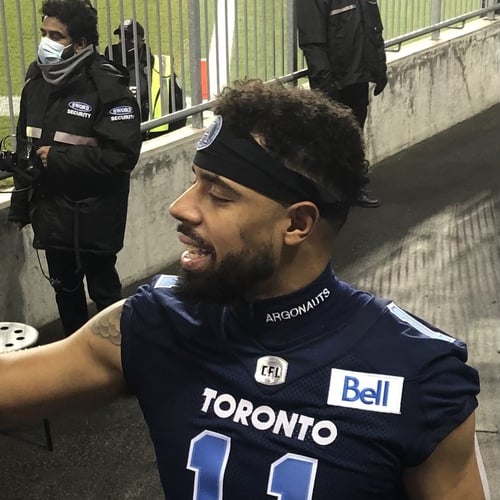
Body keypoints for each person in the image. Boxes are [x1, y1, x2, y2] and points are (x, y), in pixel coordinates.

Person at [0, 80, 486, 499]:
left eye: (219, 194)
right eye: (195, 182)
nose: (180, 207)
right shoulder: (152, 322)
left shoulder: (419, 374)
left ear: (296, 224)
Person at [7, 0, 142, 336]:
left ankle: (116, 358)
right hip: (52, 216)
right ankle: (74, 357)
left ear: (81, 44)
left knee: (104, 294)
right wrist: (20, 205)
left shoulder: (108, 88)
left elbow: (122, 156)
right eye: (44, 33)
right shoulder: (35, 83)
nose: (46, 42)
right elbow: (26, 148)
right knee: (65, 292)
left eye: (57, 36)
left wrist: (60, 158)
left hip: (95, 217)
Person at [297, 0, 388, 208]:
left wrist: (379, 68)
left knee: (354, 133)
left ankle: (352, 186)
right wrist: (325, 86)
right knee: (328, 138)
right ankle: (327, 194)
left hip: (358, 76)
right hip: (335, 81)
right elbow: (313, 42)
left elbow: (373, 26)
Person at [104, 19, 186, 137]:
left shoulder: (158, 67)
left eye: (130, 38)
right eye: (122, 37)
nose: (124, 41)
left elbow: (179, 106)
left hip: (151, 136)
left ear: (141, 41)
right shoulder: (107, 64)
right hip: (113, 136)